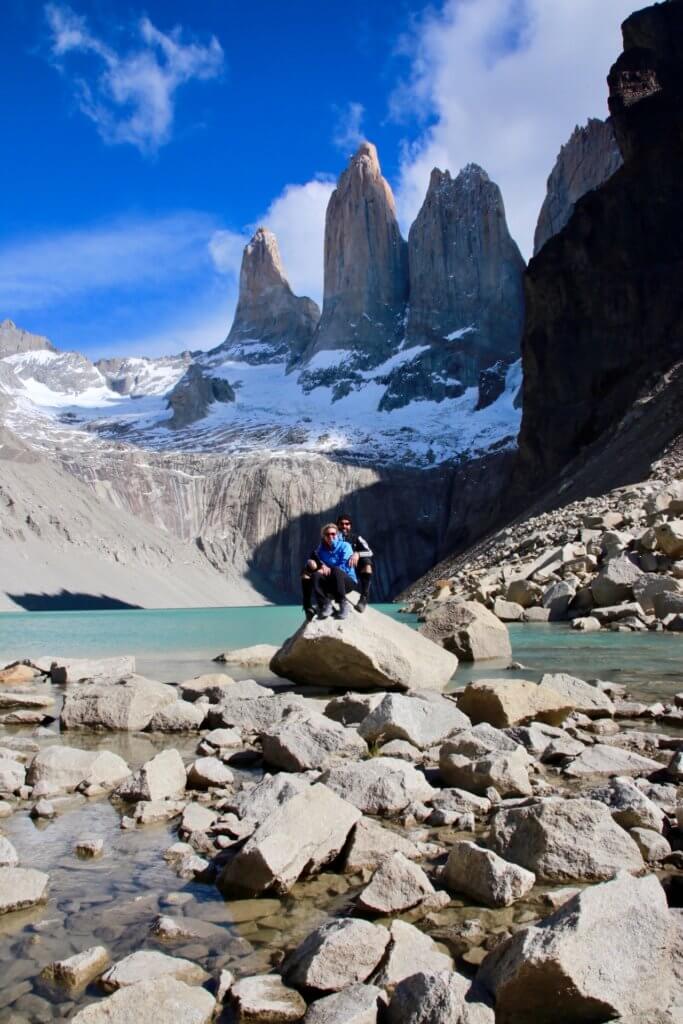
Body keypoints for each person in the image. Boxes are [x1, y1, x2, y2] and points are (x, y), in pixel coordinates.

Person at [302, 522, 358, 621]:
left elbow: (344, 567)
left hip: (347, 582)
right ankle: (325, 604)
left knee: (336, 570)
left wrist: (328, 569)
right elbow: (313, 560)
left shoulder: (345, 546)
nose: (330, 536)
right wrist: (317, 565)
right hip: (331, 583)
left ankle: (343, 603)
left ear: (337, 534)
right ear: (324, 536)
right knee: (315, 575)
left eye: (333, 534)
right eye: (327, 534)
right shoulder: (321, 549)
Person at [336, 513, 373, 612]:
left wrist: (357, 553)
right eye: (341, 524)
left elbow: (370, 552)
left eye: (347, 524)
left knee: (367, 562)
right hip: (337, 571)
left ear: (350, 526)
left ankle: (364, 598)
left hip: (353, 568)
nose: (344, 526)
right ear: (337, 525)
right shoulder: (332, 538)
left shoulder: (356, 538)